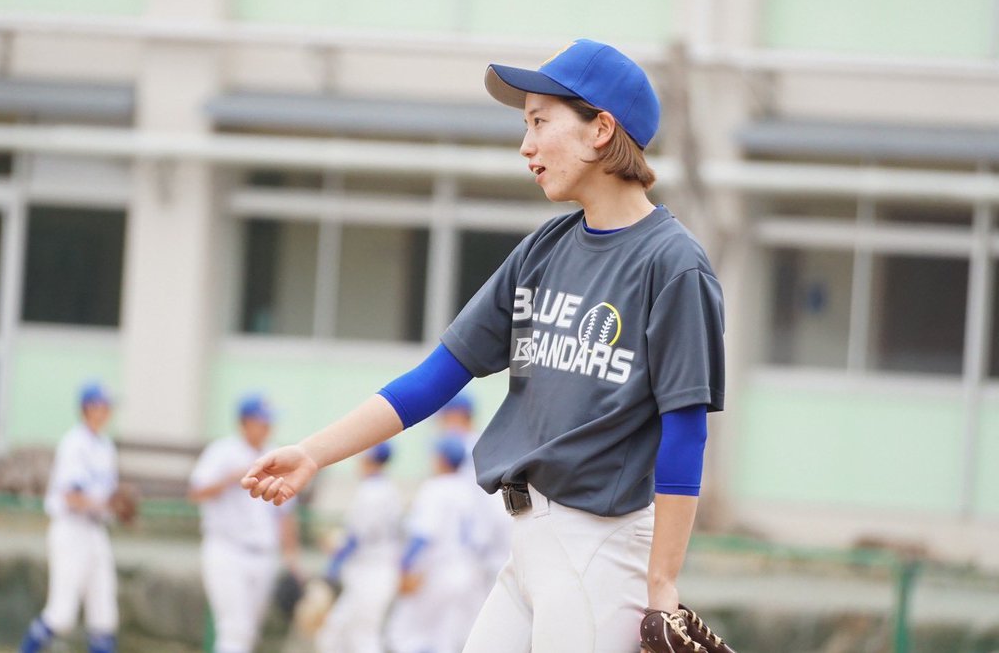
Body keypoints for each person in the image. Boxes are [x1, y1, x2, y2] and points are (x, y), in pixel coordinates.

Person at [243, 38, 725, 652]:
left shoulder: (673, 264)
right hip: (526, 543)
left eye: (539, 121)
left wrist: (662, 584)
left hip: (600, 546)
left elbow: (685, 428)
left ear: (601, 129)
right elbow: (438, 375)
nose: (526, 145)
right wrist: (313, 453)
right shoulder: (544, 249)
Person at [189, 394, 302, 653]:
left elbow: (286, 512)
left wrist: (292, 559)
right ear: (245, 422)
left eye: (269, 422)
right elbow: (196, 493)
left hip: (263, 554)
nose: (267, 427)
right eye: (262, 421)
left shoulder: (275, 454)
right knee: (234, 629)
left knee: (248, 632)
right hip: (226, 549)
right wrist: (233, 477)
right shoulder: (223, 451)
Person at [20, 381, 121, 653]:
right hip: (71, 529)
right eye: (102, 405)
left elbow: (107, 498)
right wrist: (107, 505)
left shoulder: (106, 446)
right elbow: (71, 496)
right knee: (61, 615)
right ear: (88, 408)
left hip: (95, 531)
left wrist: (118, 507)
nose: (107, 411)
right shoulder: (74, 443)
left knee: (104, 616)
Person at [385, 434, 482, 653]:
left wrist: (403, 568)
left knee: (405, 634)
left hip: (435, 573)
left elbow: (422, 535)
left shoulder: (436, 488)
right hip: (465, 570)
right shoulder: (468, 490)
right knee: (444, 640)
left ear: (442, 459)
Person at [315, 442, 403, 653]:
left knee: (363, 638)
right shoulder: (386, 488)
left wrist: (332, 565)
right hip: (371, 571)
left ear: (371, 460)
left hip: (372, 572)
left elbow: (355, 538)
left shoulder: (372, 491)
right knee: (334, 633)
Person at [435, 392, 512, 628]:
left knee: (482, 620)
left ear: (458, 416)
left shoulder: (464, 447)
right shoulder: (482, 441)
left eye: (446, 418)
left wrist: (479, 543)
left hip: (487, 543)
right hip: (493, 539)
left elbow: (481, 502)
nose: (441, 425)